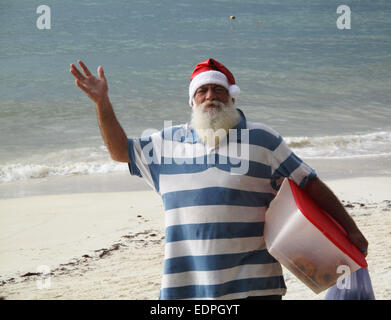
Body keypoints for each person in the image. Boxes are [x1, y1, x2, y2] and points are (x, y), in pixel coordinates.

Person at [70, 58, 368, 300]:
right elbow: (120, 151)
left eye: (218, 89)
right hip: (183, 290)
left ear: (231, 96)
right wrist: (101, 103)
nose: (210, 96)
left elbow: (309, 183)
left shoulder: (262, 139)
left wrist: (350, 229)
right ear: (192, 101)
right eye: (203, 91)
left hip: (255, 288)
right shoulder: (165, 144)